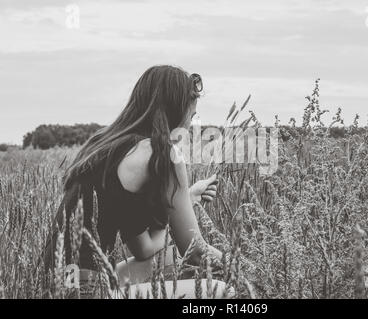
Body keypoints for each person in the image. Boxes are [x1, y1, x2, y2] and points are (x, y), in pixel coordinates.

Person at [43, 65, 229, 298]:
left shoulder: (106, 146)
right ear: (177, 110)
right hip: (84, 292)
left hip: (55, 285)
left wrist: (188, 198)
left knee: (170, 258)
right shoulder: (165, 154)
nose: (190, 124)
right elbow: (196, 253)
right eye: (191, 115)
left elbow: (145, 249)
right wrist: (250, 272)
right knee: (223, 292)